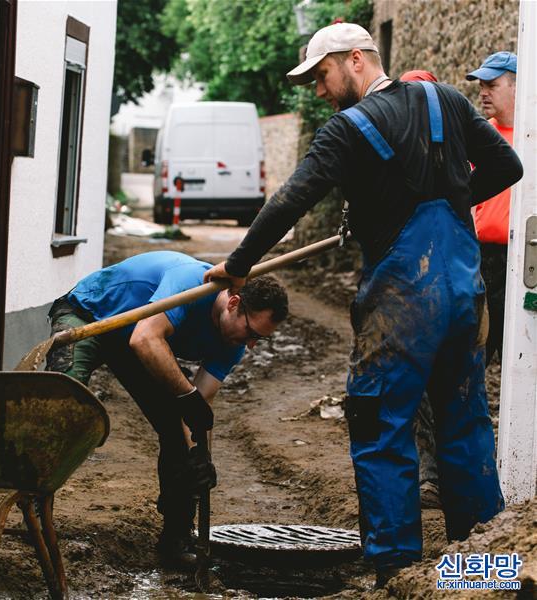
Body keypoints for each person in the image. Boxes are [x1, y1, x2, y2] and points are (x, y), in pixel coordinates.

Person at [203, 23, 522, 586]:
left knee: (381, 422)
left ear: (355, 60)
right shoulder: (445, 99)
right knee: (464, 422)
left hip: (403, 301)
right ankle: (481, 576)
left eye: (322, 76)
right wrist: (449, 196)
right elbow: (507, 166)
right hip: (465, 292)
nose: (319, 92)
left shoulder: (347, 129)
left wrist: (239, 264)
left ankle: (397, 574)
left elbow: (290, 201)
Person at [45, 251, 288, 567]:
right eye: (252, 333)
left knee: (177, 431)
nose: (252, 344)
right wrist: (188, 398)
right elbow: (145, 340)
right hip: (89, 313)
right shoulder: (188, 283)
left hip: (132, 336)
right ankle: (35, 509)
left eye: (260, 339)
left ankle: (176, 539)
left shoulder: (233, 343)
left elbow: (198, 408)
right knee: (64, 405)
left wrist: (200, 457)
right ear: (233, 304)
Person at [399, 69, 442, 510]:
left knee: (446, 383)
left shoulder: (456, 148)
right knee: (420, 384)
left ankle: (436, 478)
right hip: (406, 283)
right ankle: (426, 478)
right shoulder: (395, 151)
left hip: (452, 275)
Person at [466, 51, 517, 365]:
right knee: (474, 352)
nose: (483, 92)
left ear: (516, 86)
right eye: (480, 85)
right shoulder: (482, 136)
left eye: (491, 85)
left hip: (522, 260)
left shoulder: (532, 136)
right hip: (481, 260)